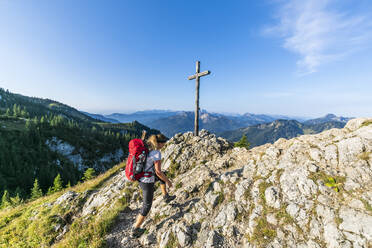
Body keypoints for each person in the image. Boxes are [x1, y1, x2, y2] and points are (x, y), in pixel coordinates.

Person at [131, 134, 175, 238]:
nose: (164, 146)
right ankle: (135, 229)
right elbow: (158, 172)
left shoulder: (147, 148)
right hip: (147, 181)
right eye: (163, 144)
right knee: (147, 205)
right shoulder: (156, 153)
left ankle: (165, 196)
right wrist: (168, 181)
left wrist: (163, 177)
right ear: (159, 143)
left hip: (142, 177)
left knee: (162, 176)